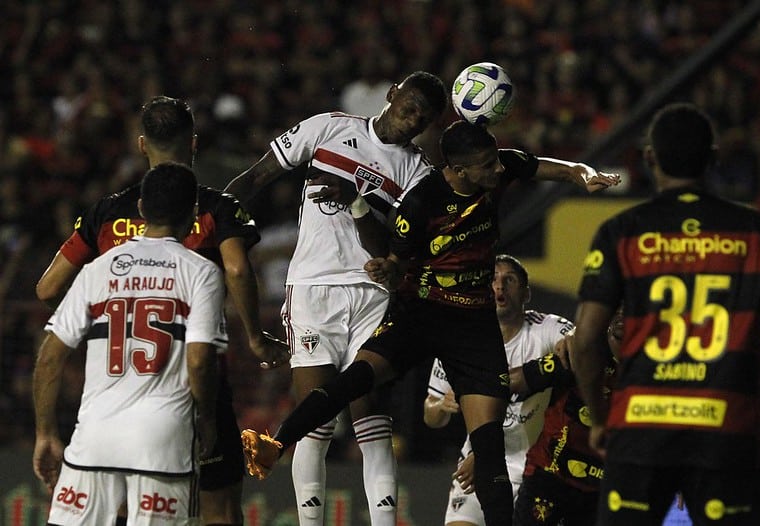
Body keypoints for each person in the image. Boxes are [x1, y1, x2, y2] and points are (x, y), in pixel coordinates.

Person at [241, 120, 620, 526]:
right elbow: (395, 259)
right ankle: (276, 443)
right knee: (355, 380)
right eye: (486, 166)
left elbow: (546, 167)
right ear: (457, 171)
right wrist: (383, 263)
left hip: (473, 325)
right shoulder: (420, 202)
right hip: (421, 311)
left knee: (487, 449)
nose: (497, 171)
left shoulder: (497, 170)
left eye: (496, 162)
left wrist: (583, 174)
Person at [35, 95, 289, 526]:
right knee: (219, 508)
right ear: (193, 142)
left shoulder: (108, 213)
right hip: (187, 390)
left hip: (109, 392)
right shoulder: (213, 208)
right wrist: (253, 335)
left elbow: (48, 287)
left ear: (141, 144)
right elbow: (236, 269)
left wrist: (101, 316)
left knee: (113, 506)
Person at [226, 71, 448, 526]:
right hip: (312, 287)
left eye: (422, 120)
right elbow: (256, 177)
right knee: (315, 416)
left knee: (371, 416)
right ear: (390, 96)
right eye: (408, 109)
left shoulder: (419, 173)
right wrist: (216, 219)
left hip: (372, 293)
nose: (411, 123)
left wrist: (358, 200)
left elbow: (392, 248)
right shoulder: (328, 127)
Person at [571, 102, 760, 525]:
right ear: (713, 159)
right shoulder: (757, 230)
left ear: (649, 158)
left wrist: (601, 420)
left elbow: (585, 340)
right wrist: (759, 375)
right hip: (726, 427)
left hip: (641, 428)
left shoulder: (622, 230)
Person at [32, 162, 225, 525]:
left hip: (94, 436)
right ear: (193, 213)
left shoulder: (98, 269)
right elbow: (199, 362)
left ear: (140, 209)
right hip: (163, 440)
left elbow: (50, 359)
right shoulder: (201, 273)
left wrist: (45, 433)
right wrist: (209, 421)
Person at [424, 254, 574, 526]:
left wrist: (572, 343)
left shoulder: (545, 329)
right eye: (492, 280)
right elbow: (430, 417)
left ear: (526, 293)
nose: (499, 287)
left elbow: (579, 343)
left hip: (538, 469)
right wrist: (441, 407)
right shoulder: (459, 343)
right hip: (477, 463)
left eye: (509, 280)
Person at [510, 311, 620, 526]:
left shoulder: (653, 371)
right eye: (619, 307)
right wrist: (474, 390)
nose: (623, 315)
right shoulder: (580, 353)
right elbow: (519, 379)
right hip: (551, 477)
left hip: (605, 490)